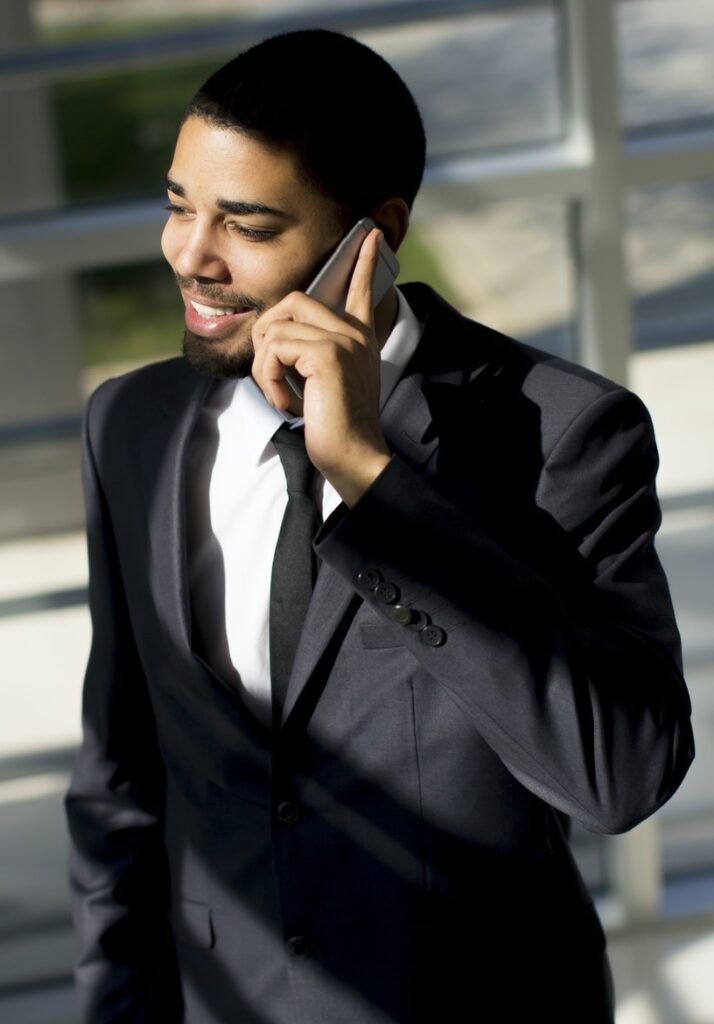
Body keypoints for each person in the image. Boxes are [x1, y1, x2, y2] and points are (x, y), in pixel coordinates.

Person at [65, 28, 694, 1024]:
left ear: (373, 237)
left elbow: (620, 775)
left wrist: (372, 478)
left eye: (248, 224)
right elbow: (120, 787)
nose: (189, 255)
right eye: (180, 205)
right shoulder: (131, 425)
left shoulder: (567, 434)